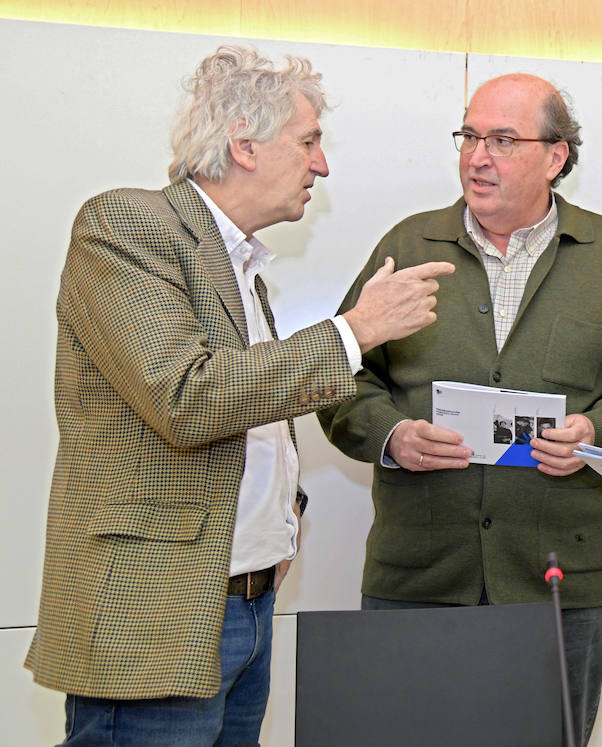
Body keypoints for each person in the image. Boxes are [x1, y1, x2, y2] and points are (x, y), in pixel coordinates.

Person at [24, 45, 454, 746]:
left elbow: (256, 419)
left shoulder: (242, 267)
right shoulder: (126, 227)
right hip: (158, 624)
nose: (321, 165)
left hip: (244, 610)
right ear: (244, 145)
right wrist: (356, 330)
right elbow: (186, 397)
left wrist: (281, 518)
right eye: (309, 142)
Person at [315, 73, 602, 746]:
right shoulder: (409, 246)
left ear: (556, 156)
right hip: (417, 579)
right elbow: (338, 374)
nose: (477, 156)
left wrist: (598, 431)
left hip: (557, 584)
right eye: (470, 135)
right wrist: (392, 435)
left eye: (503, 140)